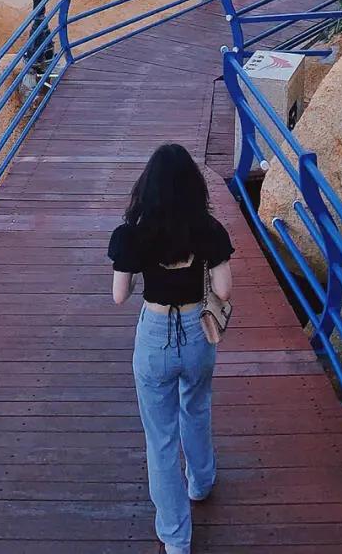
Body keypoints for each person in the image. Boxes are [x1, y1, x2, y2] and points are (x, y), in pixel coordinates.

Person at [109, 143, 234, 554]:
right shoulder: (208, 229)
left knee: (159, 439)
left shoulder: (132, 234)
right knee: (196, 407)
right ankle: (202, 481)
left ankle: (176, 539)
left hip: (155, 332)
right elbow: (224, 289)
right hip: (198, 330)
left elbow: (120, 296)